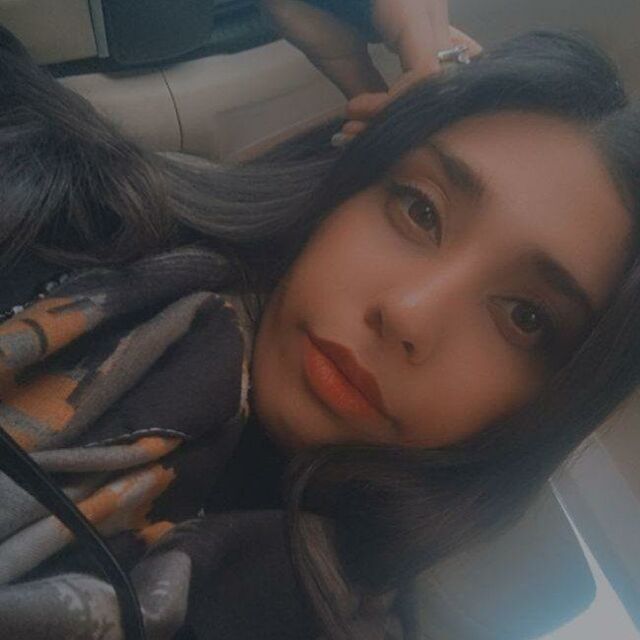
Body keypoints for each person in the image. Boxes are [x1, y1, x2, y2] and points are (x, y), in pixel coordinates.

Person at [0, 2, 639, 639]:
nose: (407, 313)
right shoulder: (80, 216)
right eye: (421, 210)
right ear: (351, 186)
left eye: (525, 316)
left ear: (548, 407)